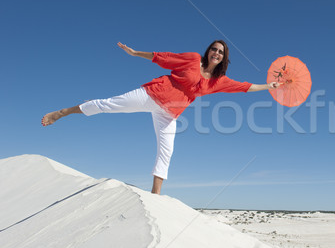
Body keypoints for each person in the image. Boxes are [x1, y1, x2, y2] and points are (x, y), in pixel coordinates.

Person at [42, 41, 279, 195]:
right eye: (214, 49)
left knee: (167, 150)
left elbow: (245, 87)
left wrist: (269, 85)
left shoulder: (219, 81)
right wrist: (136, 53)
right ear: (208, 51)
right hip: (152, 94)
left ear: (224, 57)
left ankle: (155, 195)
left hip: (169, 113)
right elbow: (165, 57)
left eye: (221, 52)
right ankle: (61, 113)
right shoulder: (192, 59)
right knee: (109, 105)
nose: (216, 53)